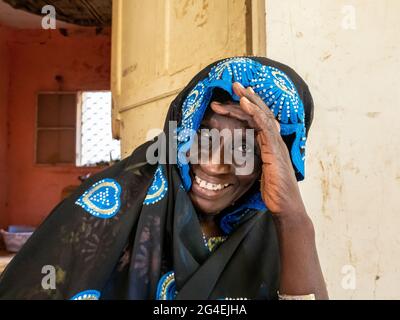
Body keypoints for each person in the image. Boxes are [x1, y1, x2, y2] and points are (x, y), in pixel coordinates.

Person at [0, 56, 328, 300]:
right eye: (203, 136)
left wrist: (293, 219)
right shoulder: (106, 207)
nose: (214, 165)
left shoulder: (271, 231)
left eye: (246, 149)